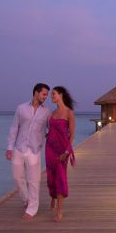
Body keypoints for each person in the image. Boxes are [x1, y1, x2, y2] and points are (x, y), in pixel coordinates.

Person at [6, 83, 51, 220]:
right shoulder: (21, 108)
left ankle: (32, 209)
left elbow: (51, 129)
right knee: (17, 178)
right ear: (36, 93)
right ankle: (26, 199)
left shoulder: (47, 112)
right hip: (19, 148)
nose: (45, 97)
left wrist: (44, 138)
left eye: (47, 95)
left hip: (34, 150)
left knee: (33, 180)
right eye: (44, 94)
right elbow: (14, 128)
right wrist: (9, 147)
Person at [46, 86, 76, 222]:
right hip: (50, 148)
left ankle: (59, 211)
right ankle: (53, 197)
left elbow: (72, 135)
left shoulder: (69, 112)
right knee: (51, 177)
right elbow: (50, 131)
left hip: (62, 150)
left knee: (60, 178)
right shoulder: (52, 113)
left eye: (54, 94)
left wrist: (66, 151)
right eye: (51, 94)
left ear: (61, 95)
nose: (51, 96)